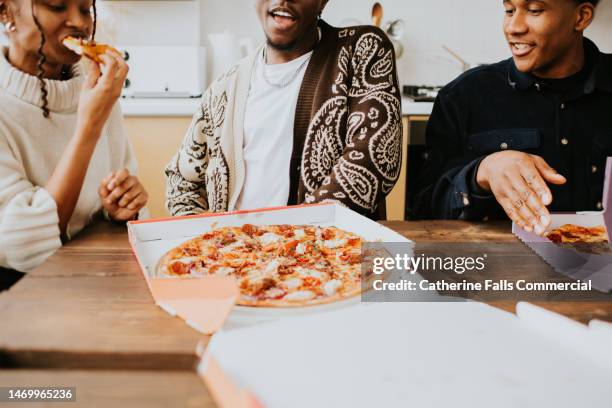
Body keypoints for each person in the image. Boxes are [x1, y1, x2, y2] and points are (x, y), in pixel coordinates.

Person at [165, 0, 402, 219]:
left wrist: (288, 240)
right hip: (235, 258)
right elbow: (181, 181)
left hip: (327, 256)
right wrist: (204, 240)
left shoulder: (361, 49)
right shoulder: (225, 86)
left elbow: (373, 161)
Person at [412, 0, 611, 235]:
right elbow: (424, 214)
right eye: (509, 10)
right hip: (497, 268)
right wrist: (480, 173)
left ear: (581, 17)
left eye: (534, 10)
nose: (513, 27)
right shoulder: (463, 96)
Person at [0, 0, 148, 286]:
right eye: (56, 6)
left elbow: (121, 206)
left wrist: (122, 207)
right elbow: (23, 247)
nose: (79, 23)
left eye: (84, 8)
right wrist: (88, 127)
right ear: (6, 12)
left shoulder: (96, 90)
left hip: (96, 280)